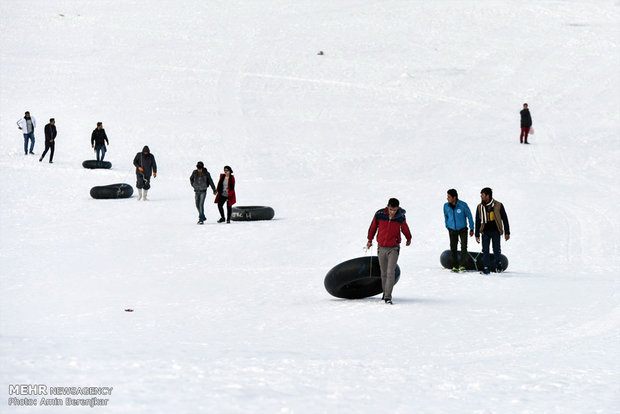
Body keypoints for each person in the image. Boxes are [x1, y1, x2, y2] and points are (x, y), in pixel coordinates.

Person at [366, 198, 412, 304]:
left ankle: (387, 297)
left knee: (390, 272)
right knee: (383, 273)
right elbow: (373, 227)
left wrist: (408, 238)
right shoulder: (379, 214)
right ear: (387, 206)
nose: (392, 212)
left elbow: (405, 228)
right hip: (381, 247)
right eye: (391, 209)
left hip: (393, 248)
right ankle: (385, 292)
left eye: (395, 210)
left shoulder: (400, 217)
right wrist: (369, 240)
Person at [475, 188, 510, 274]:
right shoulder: (479, 207)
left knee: (496, 249)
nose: (481, 196)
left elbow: (505, 219)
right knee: (485, 250)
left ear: (488, 196)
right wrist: (477, 234)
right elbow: (477, 221)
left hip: (495, 231)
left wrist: (507, 232)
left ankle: (499, 265)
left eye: (482, 195)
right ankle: (486, 268)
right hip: (485, 232)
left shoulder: (498, 205)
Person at [443, 189, 474, 272]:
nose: (447, 198)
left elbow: (469, 216)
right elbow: (446, 216)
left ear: (454, 197)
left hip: (463, 229)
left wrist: (472, 228)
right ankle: (455, 266)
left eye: (449, 197)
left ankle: (462, 265)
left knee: (464, 247)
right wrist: (448, 226)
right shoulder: (446, 206)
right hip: (452, 230)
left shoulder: (463, 205)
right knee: (453, 248)